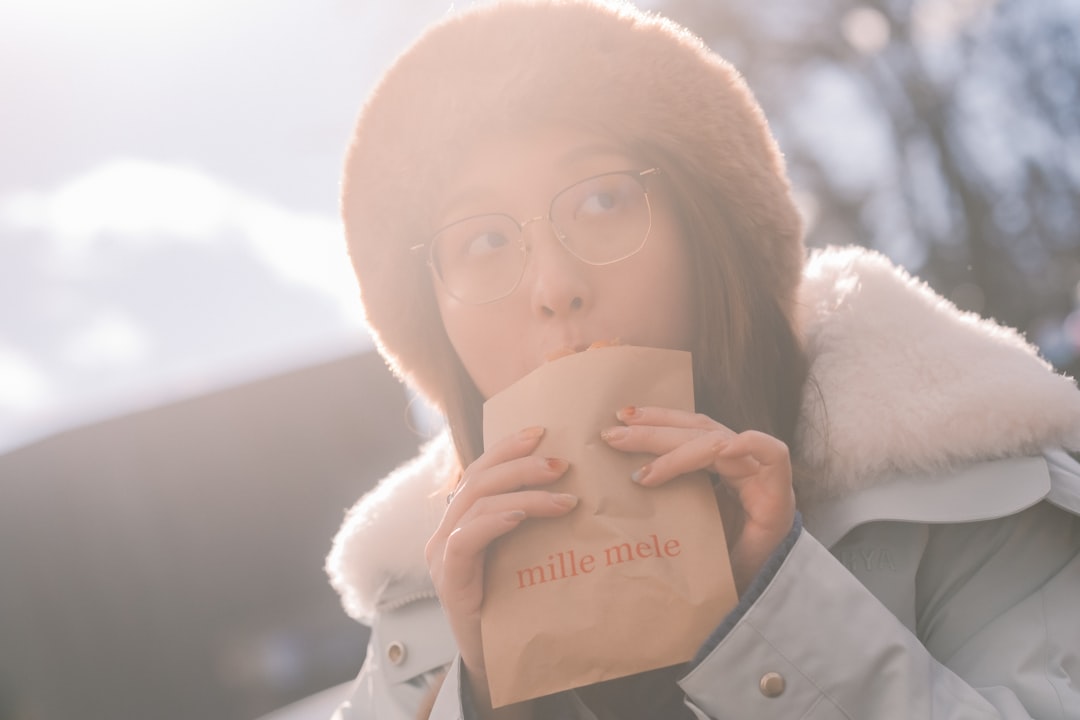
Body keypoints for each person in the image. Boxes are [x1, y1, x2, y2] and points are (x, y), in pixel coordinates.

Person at [324, 1, 1080, 718]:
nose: (555, 288)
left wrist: (779, 615)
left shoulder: (971, 486)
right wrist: (484, 694)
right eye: (483, 242)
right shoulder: (415, 621)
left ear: (707, 233)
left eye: (602, 201)